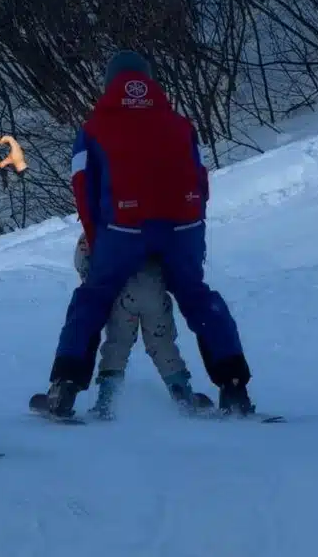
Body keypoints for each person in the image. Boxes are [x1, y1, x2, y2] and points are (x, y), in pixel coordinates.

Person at [39, 51, 255, 418]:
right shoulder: (181, 125)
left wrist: (96, 237)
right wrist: (193, 233)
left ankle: (65, 387)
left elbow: (82, 188)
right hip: (183, 227)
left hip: (124, 229)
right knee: (198, 299)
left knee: (92, 298)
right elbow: (201, 181)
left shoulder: (94, 128)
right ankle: (234, 387)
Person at [74, 233, 212, 417]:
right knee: (163, 344)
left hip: (121, 293)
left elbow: (83, 258)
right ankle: (182, 395)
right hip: (155, 288)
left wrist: (89, 275)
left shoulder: (102, 226)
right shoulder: (157, 224)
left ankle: (107, 401)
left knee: (117, 345)